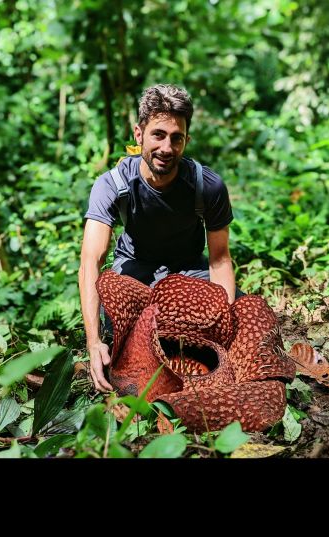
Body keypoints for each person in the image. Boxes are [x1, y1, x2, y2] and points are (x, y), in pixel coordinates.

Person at [79, 83, 239, 393]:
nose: (167, 148)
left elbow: (220, 259)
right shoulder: (112, 185)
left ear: (186, 140)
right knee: (116, 324)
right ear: (139, 135)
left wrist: (223, 322)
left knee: (240, 317)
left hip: (190, 272)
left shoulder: (207, 186)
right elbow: (91, 260)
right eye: (158, 135)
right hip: (135, 272)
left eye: (176, 138)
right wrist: (94, 341)